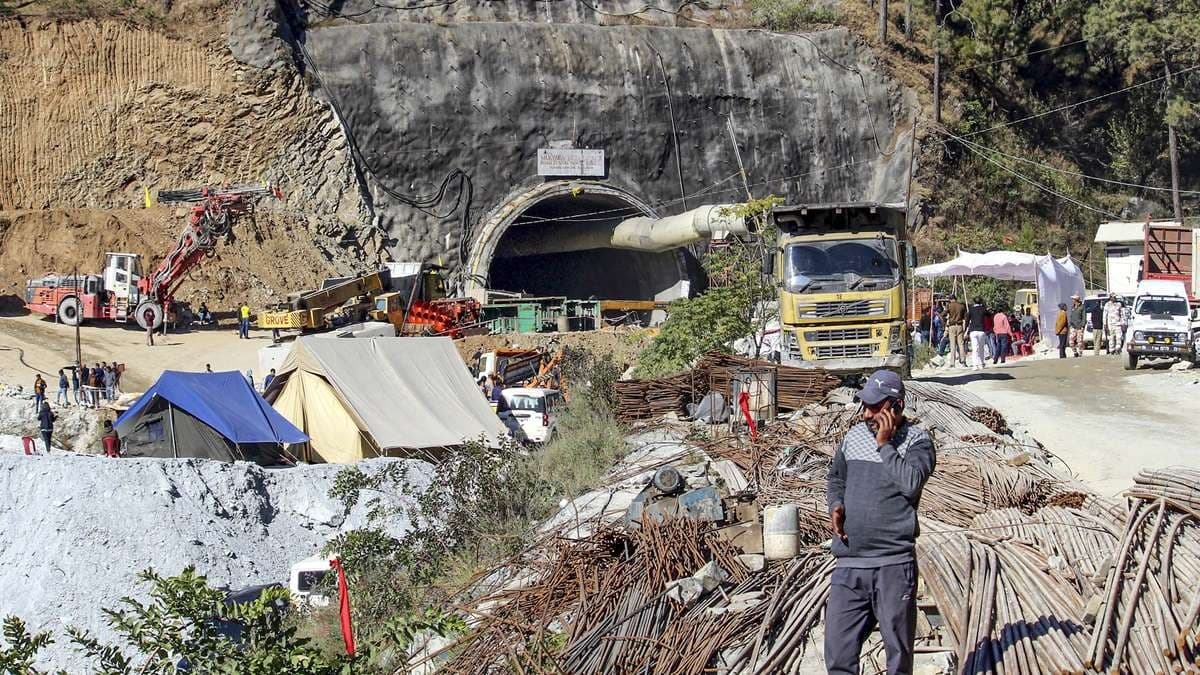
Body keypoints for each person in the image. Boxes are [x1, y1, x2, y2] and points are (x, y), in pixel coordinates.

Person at [826, 370, 935, 675]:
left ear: (896, 406)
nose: (866, 414)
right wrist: (836, 504)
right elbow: (836, 479)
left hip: (893, 565)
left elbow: (911, 483)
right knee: (838, 653)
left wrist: (885, 445)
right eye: (865, 406)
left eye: (875, 407)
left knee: (897, 658)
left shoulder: (918, 442)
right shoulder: (853, 437)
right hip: (850, 564)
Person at [945, 298, 967, 368]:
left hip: (952, 326)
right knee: (961, 344)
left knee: (952, 345)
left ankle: (952, 363)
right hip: (959, 325)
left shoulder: (949, 305)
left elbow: (943, 314)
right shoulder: (961, 306)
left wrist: (946, 322)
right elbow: (965, 317)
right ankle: (963, 362)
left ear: (951, 299)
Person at [967, 297, 988, 370]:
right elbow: (989, 314)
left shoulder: (971, 309)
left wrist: (966, 330)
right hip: (981, 330)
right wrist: (984, 306)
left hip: (973, 330)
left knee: (974, 348)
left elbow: (967, 320)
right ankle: (981, 363)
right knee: (981, 348)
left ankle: (975, 365)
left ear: (974, 302)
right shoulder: (983, 309)